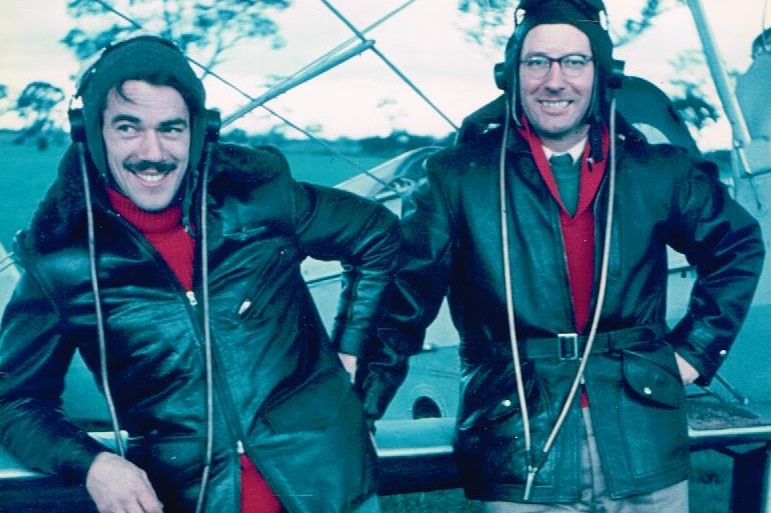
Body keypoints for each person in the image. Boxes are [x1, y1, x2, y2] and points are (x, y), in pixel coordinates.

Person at [357, 0, 765, 511]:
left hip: (643, 437)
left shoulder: (657, 169)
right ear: (512, 74)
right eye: (538, 62)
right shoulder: (457, 178)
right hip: (520, 443)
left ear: (601, 74)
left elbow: (737, 244)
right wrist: (361, 410)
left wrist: (694, 352)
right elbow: (402, 305)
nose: (556, 81)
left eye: (574, 62)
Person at [0, 35, 399, 513]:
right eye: (128, 128)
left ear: (199, 132)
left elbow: (378, 234)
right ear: (91, 132)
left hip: (334, 490)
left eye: (172, 129)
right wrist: (93, 463)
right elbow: (14, 401)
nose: (153, 152)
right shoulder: (60, 263)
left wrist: (353, 350)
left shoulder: (260, 196)